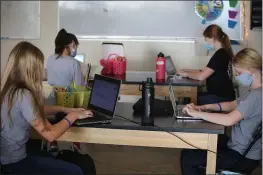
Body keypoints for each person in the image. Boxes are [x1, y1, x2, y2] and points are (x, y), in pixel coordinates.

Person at [0, 41, 95, 174]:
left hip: (7, 157)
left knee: (54, 158)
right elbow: (51, 135)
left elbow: (34, 109)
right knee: (76, 171)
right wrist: (72, 116)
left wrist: (65, 109)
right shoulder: (23, 94)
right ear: (30, 69)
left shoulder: (9, 88)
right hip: (15, 162)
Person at [180, 48, 262, 175]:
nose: (238, 76)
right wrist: (204, 107)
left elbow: (229, 119)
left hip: (242, 157)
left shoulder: (256, 96)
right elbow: (231, 105)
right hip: (238, 147)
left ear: (250, 70)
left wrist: (198, 114)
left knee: (188, 158)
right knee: (196, 145)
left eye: (239, 73)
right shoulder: (254, 92)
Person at [177, 24, 235, 105]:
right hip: (224, 96)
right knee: (188, 97)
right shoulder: (223, 53)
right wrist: (186, 70)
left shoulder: (220, 55)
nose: (206, 42)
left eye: (206, 39)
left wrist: (185, 74)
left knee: (188, 99)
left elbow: (201, 76)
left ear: (213, 38)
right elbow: (204, 71)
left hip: (221, 98)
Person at [46, 28, 84, 153]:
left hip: (52, 99)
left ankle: (52, 143)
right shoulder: (74, 63)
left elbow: (50, 80)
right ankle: (76, 143)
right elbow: (79, 87)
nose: (75, 49)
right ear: (68, 45)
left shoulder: (50, 59)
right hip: (68, 99)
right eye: (74, 46)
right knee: (79, 107)